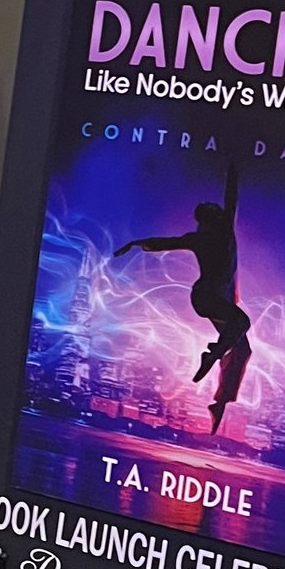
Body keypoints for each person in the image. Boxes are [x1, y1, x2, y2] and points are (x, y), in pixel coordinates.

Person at [115, 166, 252, 431]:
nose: (220, 213)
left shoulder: (221, 232)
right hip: (207, 298)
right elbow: (164, 243)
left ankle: (220, 402)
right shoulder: (203, 237)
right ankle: (212, 355)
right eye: (214, 213)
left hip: (220, 302)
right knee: (242, 323)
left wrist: (233, 167)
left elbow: (231, 197)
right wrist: (137, 243)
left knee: (243, 349)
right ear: (209, 219)